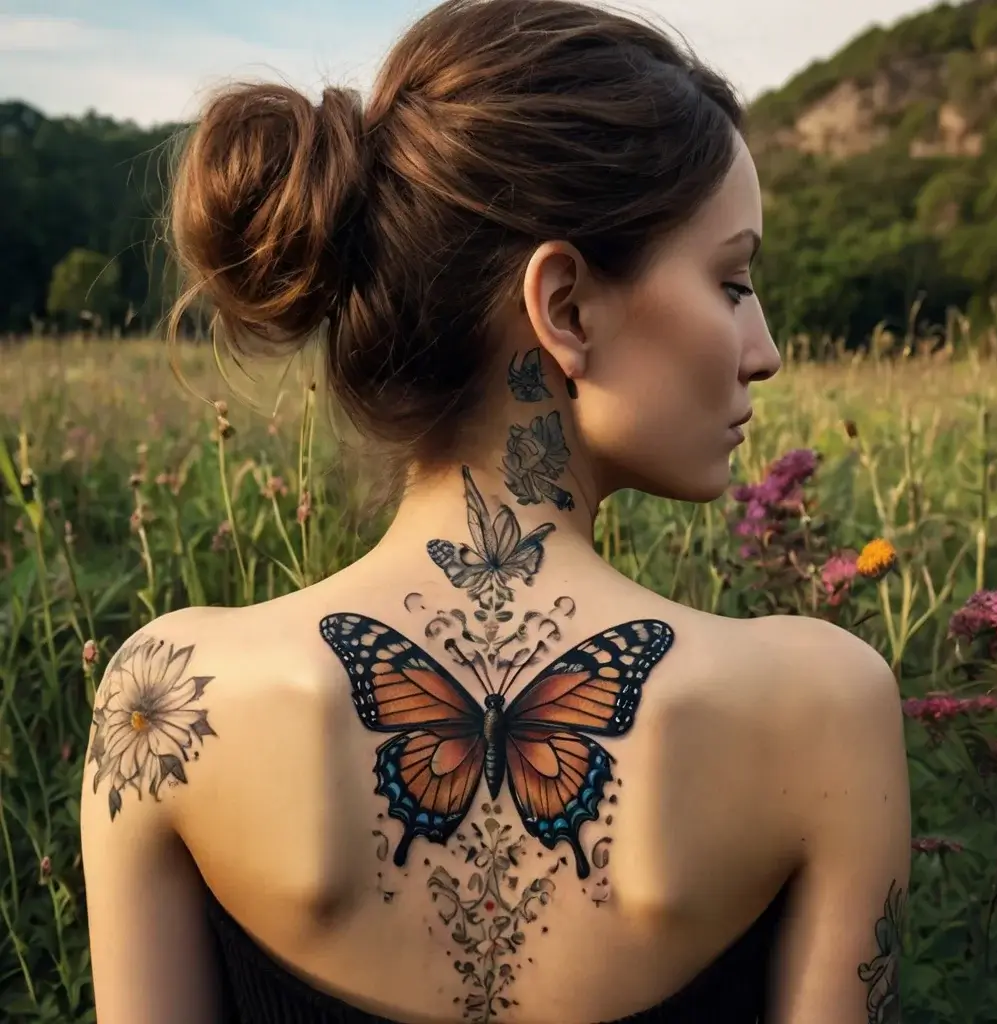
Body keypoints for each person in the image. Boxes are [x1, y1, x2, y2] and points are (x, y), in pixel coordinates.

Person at [80, 1, 910, 1022]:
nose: (764, 349)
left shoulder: (164, 697)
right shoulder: (823, 710)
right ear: (563, 306)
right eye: (731, 281)